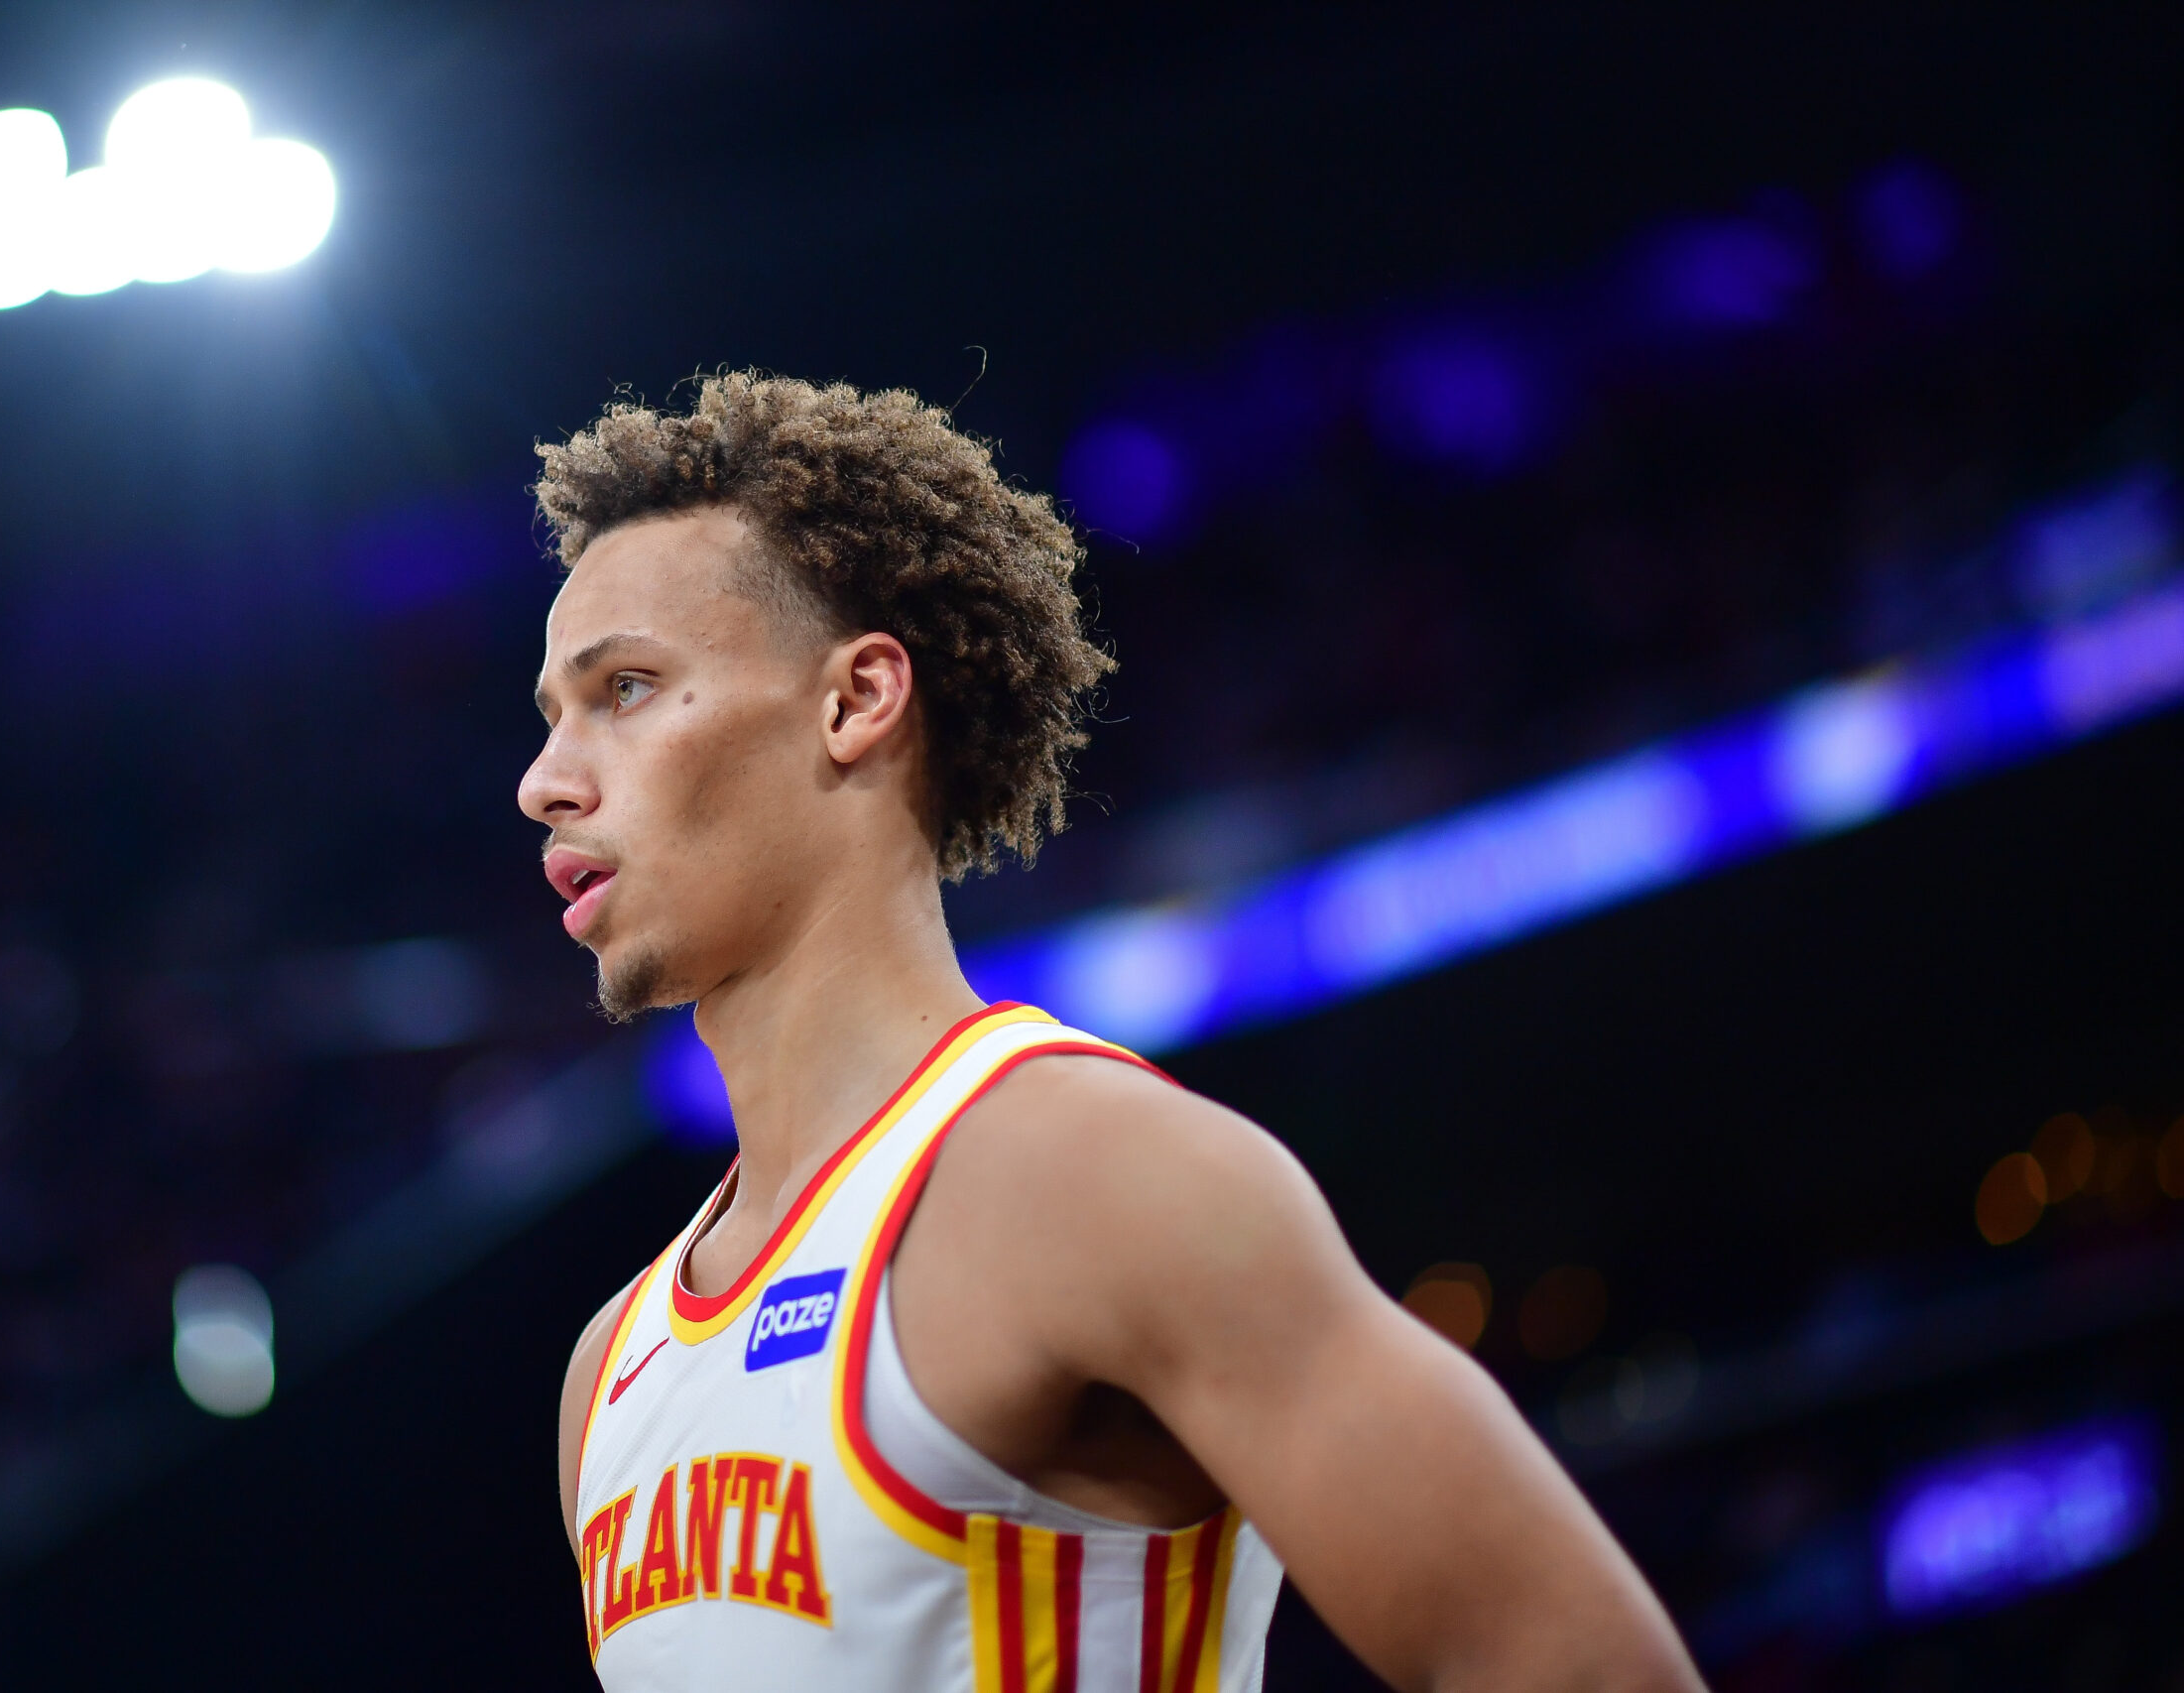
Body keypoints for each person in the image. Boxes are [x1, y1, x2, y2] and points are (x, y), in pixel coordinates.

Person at [525, 373, 1704, 1692]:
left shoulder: (1098, 1178)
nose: (546, 781)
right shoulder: (608, 1376)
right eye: (552, 718)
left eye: (623, 689)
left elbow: (1585, 1669)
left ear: (856, 700)